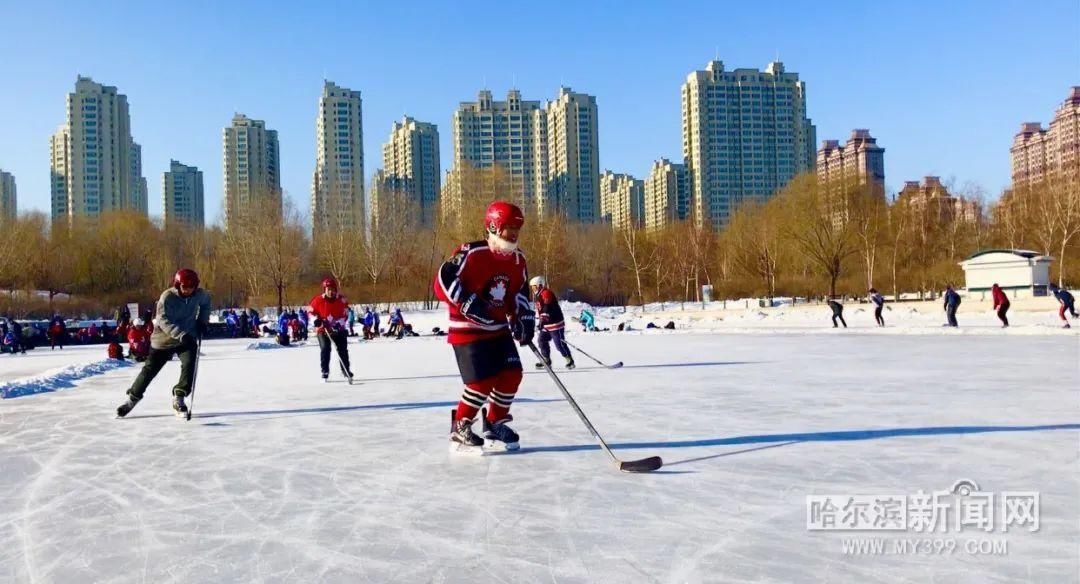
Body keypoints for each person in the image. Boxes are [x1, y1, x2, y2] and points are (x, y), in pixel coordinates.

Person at [434, 200, 534, 452]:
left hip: (498, 329)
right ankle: (460, 425)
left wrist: (523, 317)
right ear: (493, 225)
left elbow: (519, 291)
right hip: (467, 331)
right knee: (481, 382)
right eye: (508, 227)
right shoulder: (472, 253)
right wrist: (467, 303)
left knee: (512, 374)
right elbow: (443, 279)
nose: (513, 233)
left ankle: (495, 422)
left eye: (517, 228)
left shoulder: (518, 260)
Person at [116, 268, 211, 418]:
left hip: (187, 338)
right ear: (178, 284)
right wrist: (180, 334)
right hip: (164, 340)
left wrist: (203, 321)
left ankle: (179, 396)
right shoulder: (167, 297)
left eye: (192, 287)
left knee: (189, 364)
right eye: (185, 287)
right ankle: (132, 399)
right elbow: (163, 321)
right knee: (149, 371)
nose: (188, 290)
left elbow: (206, 303)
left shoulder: (200, 294)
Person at [307, 276, 353, 382]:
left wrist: (338, 323)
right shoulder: (317, 300)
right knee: (325, 348)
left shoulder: (341, 300)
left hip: (338, 329)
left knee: (342, 349)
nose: (331, 291)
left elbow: (345, 314)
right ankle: (325, 371)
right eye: (328, 289)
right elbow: (310, 312)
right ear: (325, 290)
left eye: (333, 289)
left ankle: (346, 370)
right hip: (323, 330)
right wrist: (315, 320)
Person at [530, 275, 575, 370]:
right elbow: (541, 310)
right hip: (546, 325)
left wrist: (544, 316)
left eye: (533, 286)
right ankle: (546, 360)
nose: (532, 288)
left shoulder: (546, 293)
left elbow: (547, 306)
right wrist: (541, 322)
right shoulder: (538, 295)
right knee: (541, 340)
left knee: (559, 345)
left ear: (539, 285)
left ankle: (569, 360)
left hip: (555, 324)